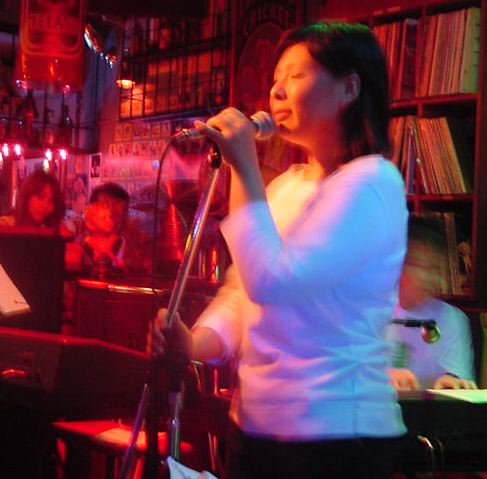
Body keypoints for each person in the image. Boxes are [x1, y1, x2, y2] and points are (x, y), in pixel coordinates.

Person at [150, 21, 409, 479]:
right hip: (255, 426)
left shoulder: (372, 182)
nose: (277, 90)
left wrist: (244, 166)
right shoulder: (286, 185)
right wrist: (194, 342)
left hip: (335, 436)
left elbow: (273, 282)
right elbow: (241, 293)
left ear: (349, 88)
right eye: (275, 78)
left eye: (296, 74)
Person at [386, 214, 477, 391]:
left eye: (434, 268)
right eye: (419, 265)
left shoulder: (452, 319)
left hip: (428, 409)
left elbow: (456, 378)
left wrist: (451, 382)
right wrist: (380, 378)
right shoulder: (368, 311)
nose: (429, 277)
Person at [87, 182, 150, 272]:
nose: (111, 213)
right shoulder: (84, 249)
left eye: (117, 206)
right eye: (105, 205)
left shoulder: (139, 251)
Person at [0, 169, 66, 230]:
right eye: (40, 197)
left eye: (52, 201)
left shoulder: (50, 230)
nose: (45, 205)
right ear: (27, 195)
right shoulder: (5, 225)